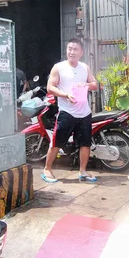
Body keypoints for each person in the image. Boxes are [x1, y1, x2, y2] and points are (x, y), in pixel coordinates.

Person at [41, 38, 99, 183]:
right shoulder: (58, 67)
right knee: (57, 142)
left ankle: (83, 171)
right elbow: (50, 87)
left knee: (85, 143)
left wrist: (85, 84)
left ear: (81, 52)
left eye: (75, 49)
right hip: (67, 112)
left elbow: (95, 84)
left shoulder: (85, 67)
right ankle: (47, 169)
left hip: (84, 112)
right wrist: (65, 95)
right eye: (69, 49)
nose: (71, 52)